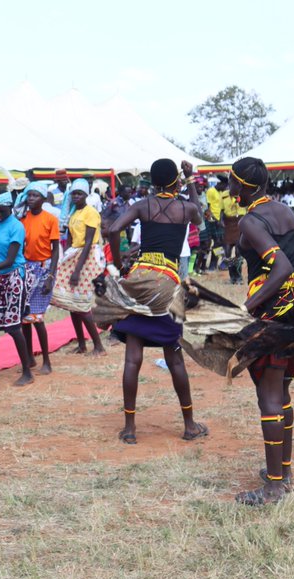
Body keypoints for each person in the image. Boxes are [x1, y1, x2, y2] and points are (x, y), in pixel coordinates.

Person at [227, 157, 294, 505]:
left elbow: (280, 266)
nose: (229, 188)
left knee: (268, 396)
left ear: (245, 187)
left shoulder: (251, 220)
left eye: (232, 182)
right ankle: (283, 472)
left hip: (274, 313)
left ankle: (273, 489)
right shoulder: (285, 212)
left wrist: (249, 307)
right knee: (281, 391)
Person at [98, 159, 207, 445]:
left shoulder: (143, 204)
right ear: (175, 180)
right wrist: (191, 179)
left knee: (133, 357)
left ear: (154, 181)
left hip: (139, 278)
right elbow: (199, 217)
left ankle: (131, 428)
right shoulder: (185, 207)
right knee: (174, 359)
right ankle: (189, 425)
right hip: (167, 284)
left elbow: (112, 230)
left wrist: (121, 267)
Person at [0, 195, 36, 386]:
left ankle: (27, 371)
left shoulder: (16, 227)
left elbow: (10, 260)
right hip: (0, 276)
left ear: (10, 208)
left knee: (13, 326)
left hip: (15, 276)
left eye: (1, 211)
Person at [51, 178, 106, 355]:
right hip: (74, 255)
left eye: (79, 193)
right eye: (73, 193)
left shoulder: (90, 213)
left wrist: (76, 270)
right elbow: (71, 239)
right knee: (71, 303)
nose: (76, 196)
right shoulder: (74, 213)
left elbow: (88, 243)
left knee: (81, 304)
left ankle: (98, 346)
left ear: (86, 195)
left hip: (86, 258)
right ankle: (82, 344)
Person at [19, 182, 59, 374]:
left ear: (43, 199)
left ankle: (46, 360)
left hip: (44, 269)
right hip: (26, 269)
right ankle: (28, 359)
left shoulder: (50, 219)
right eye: (29, 195)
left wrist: (51, 275)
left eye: (35, 196)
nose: (31, 199)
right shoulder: (22, 219)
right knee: (24, 318)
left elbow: (56, 248)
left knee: (37, 317)